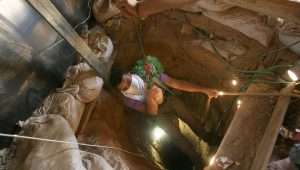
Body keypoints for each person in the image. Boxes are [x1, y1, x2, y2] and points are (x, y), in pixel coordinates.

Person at [110, 56, 218, 116]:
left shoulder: (146, 73)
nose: (130, 87)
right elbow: (152, 113)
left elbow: (176, 83)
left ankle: (208, 138)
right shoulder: (128, 99)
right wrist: (150, 98)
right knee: (180, 142)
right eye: (125, 88)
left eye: (128, 82)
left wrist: (205, 90)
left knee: (190, 119)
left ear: (129, 73)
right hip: (161, 115)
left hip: (169, 100)